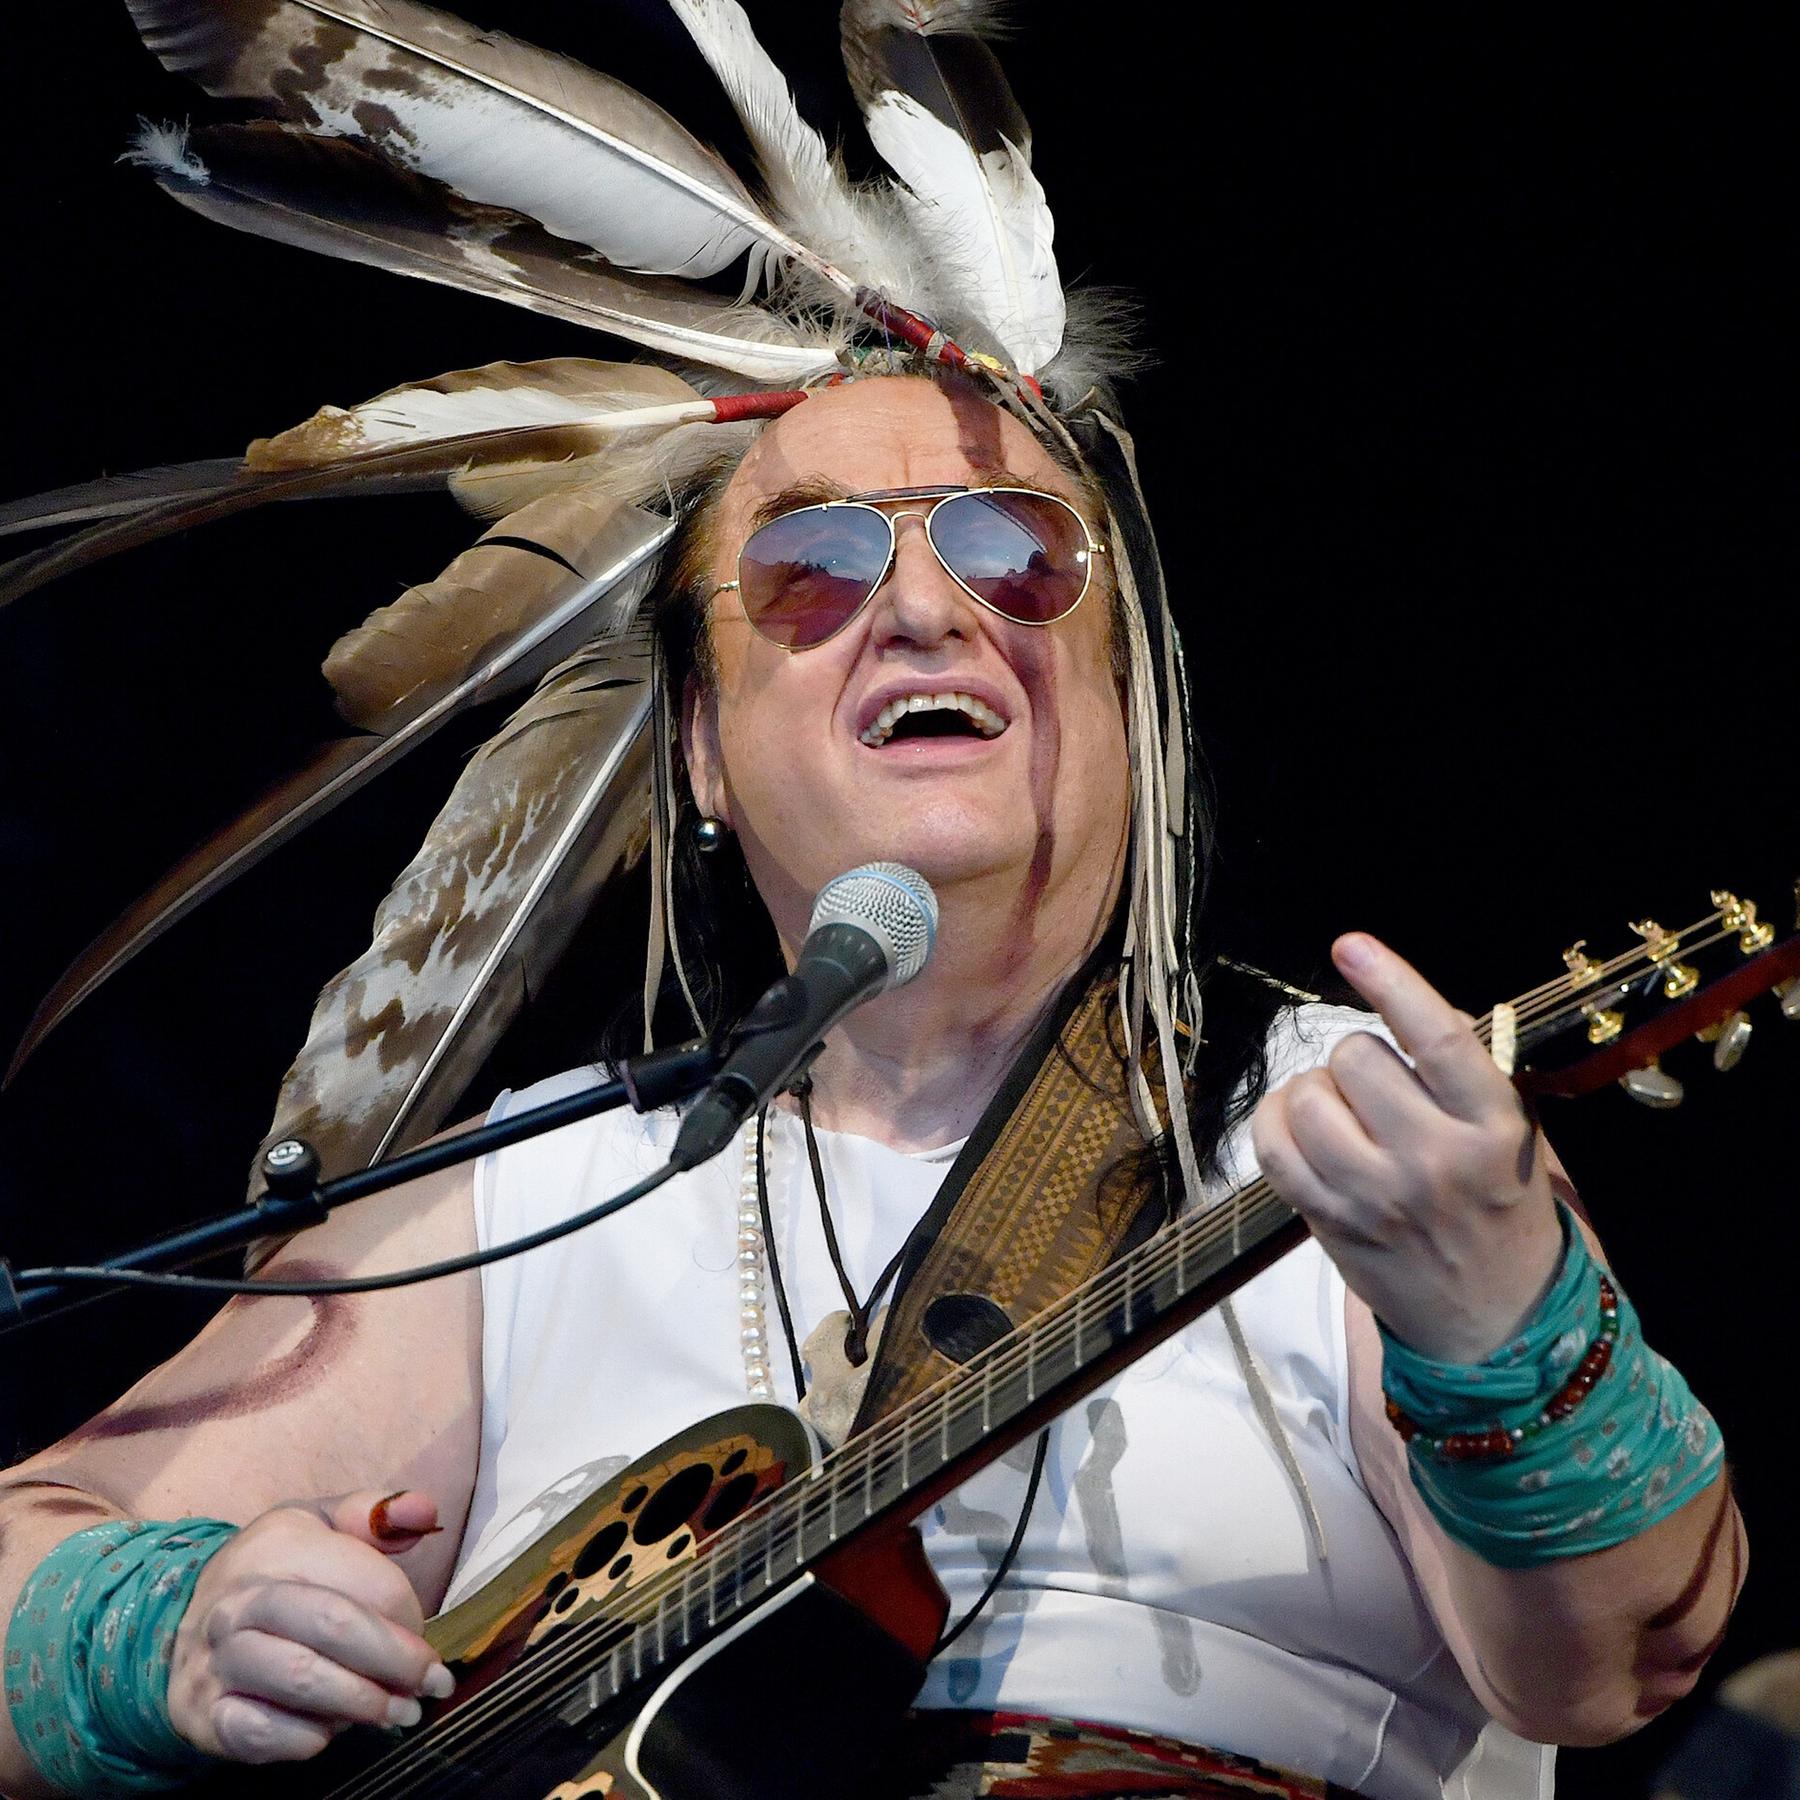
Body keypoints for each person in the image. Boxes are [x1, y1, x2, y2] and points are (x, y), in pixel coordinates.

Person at [0, 369, 1746, 1799]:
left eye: (1017, 553)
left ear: (1126, 698)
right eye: (812, 567)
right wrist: (170, 1638)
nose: (923, 606)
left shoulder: (1359, 1136)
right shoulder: (530, 1198)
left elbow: (1613, 1668)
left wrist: (1500, 1323)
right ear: (700, 742)